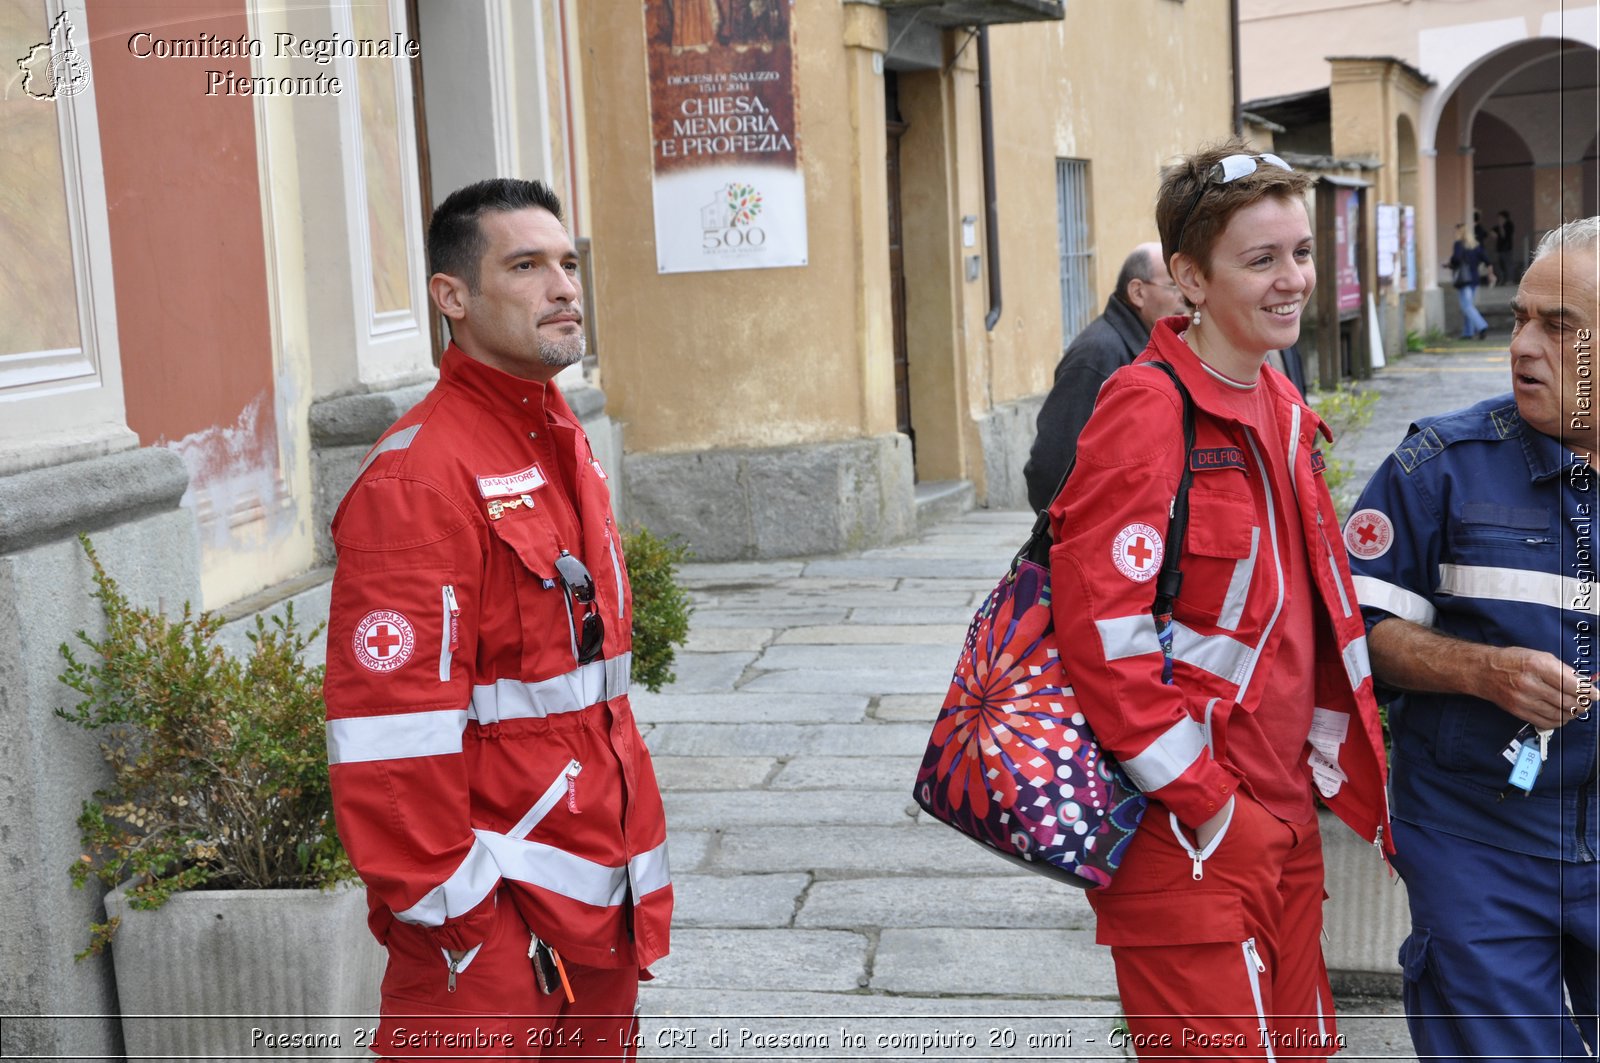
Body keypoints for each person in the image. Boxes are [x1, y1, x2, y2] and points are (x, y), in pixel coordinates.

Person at [1047, 138, 1390, 1058]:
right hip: (1188, 830)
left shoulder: (1278, 399)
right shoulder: (1145, 406)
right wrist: (1209, 805)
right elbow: (1103, 636)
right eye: (1262, 259)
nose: (1293, 281)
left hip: (1283, 822)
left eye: (1303, 253)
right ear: (1189, 278)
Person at [323, 179, 671, 1061]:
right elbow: (388, 742)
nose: (563, 287)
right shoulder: (420, 479)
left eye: (567, 263)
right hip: (488, 934)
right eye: (526, 265)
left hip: (600, 901)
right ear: (454, 297)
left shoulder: (560, 438)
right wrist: (462, 918)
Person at [1345, 216, 1600, 1061]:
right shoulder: (1438, 466)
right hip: (1479, 834)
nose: (1521, 343)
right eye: (1521, 317)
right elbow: (1355, 630)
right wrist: (1482, 670)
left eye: (1558, 327)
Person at [1022, 242, 1186, 511]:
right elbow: (1050, 466)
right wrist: (1074, 533)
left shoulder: (1139, 347)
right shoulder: (1098, 354)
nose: (1185, 297)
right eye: (1173, 286)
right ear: (1137, 292)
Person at [1449, 222, 1493, 339]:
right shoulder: (1476, 246)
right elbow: (1487, 261)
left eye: (1456, 232)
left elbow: (1456, 259)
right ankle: (1468, 333)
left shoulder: (1459, 244)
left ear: (1460, 233)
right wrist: (1491, 274)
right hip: (1474, 279)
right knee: (1469, 306)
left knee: (1467, 306)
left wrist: (1450, 263)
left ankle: (1482, 326)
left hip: (1464, 280)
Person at [1494, 208, 1516, 286]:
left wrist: (1501, 227)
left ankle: (1510, 280)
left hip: (1507, 248)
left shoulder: (1509, 225)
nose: (1499, 219)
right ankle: (1502, 280)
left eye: (1500, 218)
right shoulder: (1498, 226)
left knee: (1508, 264)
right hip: (1499, 249)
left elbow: (1504, 236)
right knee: (1499, 265)